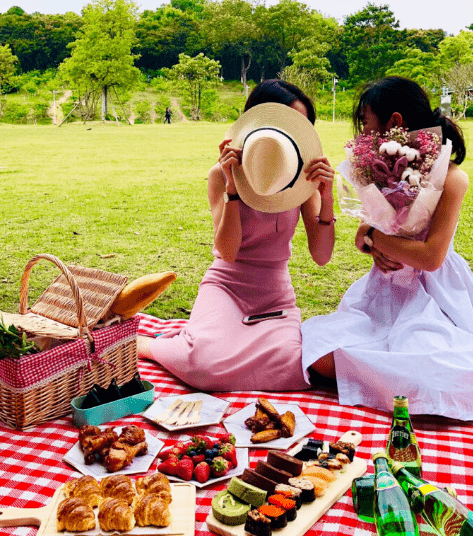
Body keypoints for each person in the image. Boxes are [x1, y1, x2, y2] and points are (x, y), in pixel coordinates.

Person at [301, 76, 473, 421]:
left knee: (426, 366)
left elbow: (431, 258)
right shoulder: (381, 172)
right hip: (380, 293)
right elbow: (362, 236)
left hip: (431, 296)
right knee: (315, 350)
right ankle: (388, 378)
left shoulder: (452, 178)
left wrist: (378, 238)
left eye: (367, 123)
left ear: (395, 122)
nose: (364, 134)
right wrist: (368, 239)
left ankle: (400, 380)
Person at [138, 79, 336, 391]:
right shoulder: (222, 173)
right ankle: (152, 346)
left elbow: (322, 257)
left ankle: (202, 340)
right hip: (226, 285)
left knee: (295, 366)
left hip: (274, 292)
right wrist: (233, 187)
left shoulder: (302, 181)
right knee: (203, 365)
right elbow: (228, 252)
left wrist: (326, 197)